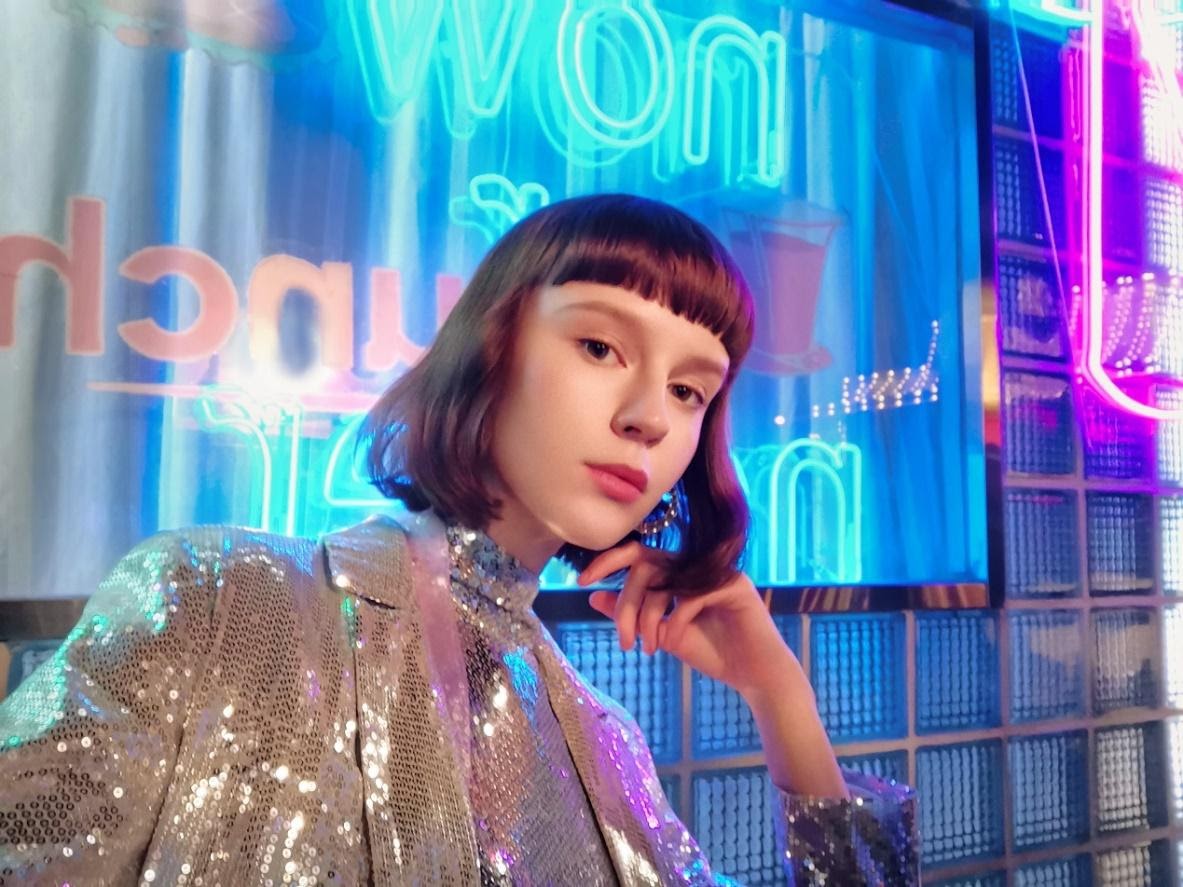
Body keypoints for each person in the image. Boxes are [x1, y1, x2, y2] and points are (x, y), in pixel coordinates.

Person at [0, 194, 917, 885]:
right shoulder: (220, 601)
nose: (648, 415)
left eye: (689, 391)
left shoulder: (609, 747)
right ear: (492, 343)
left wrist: (779, 695)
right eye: (600, 347)